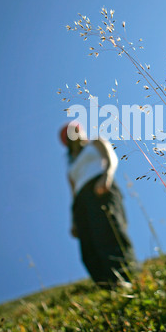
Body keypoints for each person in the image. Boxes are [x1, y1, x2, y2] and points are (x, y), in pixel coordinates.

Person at [59, 121, 136, 288]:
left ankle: (124, 276)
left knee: (109, 231)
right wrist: (73, 219)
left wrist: (106, 176)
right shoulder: (71, 167)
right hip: (81, 200)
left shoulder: (95, 142)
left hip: (99, 187)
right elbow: (73, 193)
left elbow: (111, 158)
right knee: (89, 242)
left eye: (76, 131)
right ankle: (106, 283)